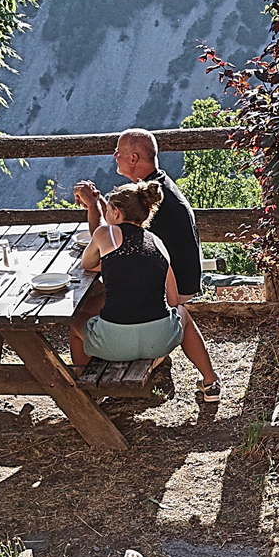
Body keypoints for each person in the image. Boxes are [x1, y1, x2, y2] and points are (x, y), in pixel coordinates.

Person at [73, 127, 210, 382]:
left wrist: (94, 207)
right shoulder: (154, 190)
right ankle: (208, 378)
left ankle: (94, 385)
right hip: (179, 277)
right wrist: (102, 203)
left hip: (175, 284)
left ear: (133, 158)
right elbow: (118, 232)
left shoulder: (157, 204)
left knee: (81, 308)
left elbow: (109, 245)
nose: (114, 155)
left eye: (119, 152)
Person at [70, 180, 221, 403]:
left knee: (75, 321)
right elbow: (171, 300)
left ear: (116, 212)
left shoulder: (105, 234)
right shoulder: (158, 243)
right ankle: (210, 382)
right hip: (159, 342)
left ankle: (92, 391)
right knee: (183, 313)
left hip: (112, 343)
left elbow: (87, 263)